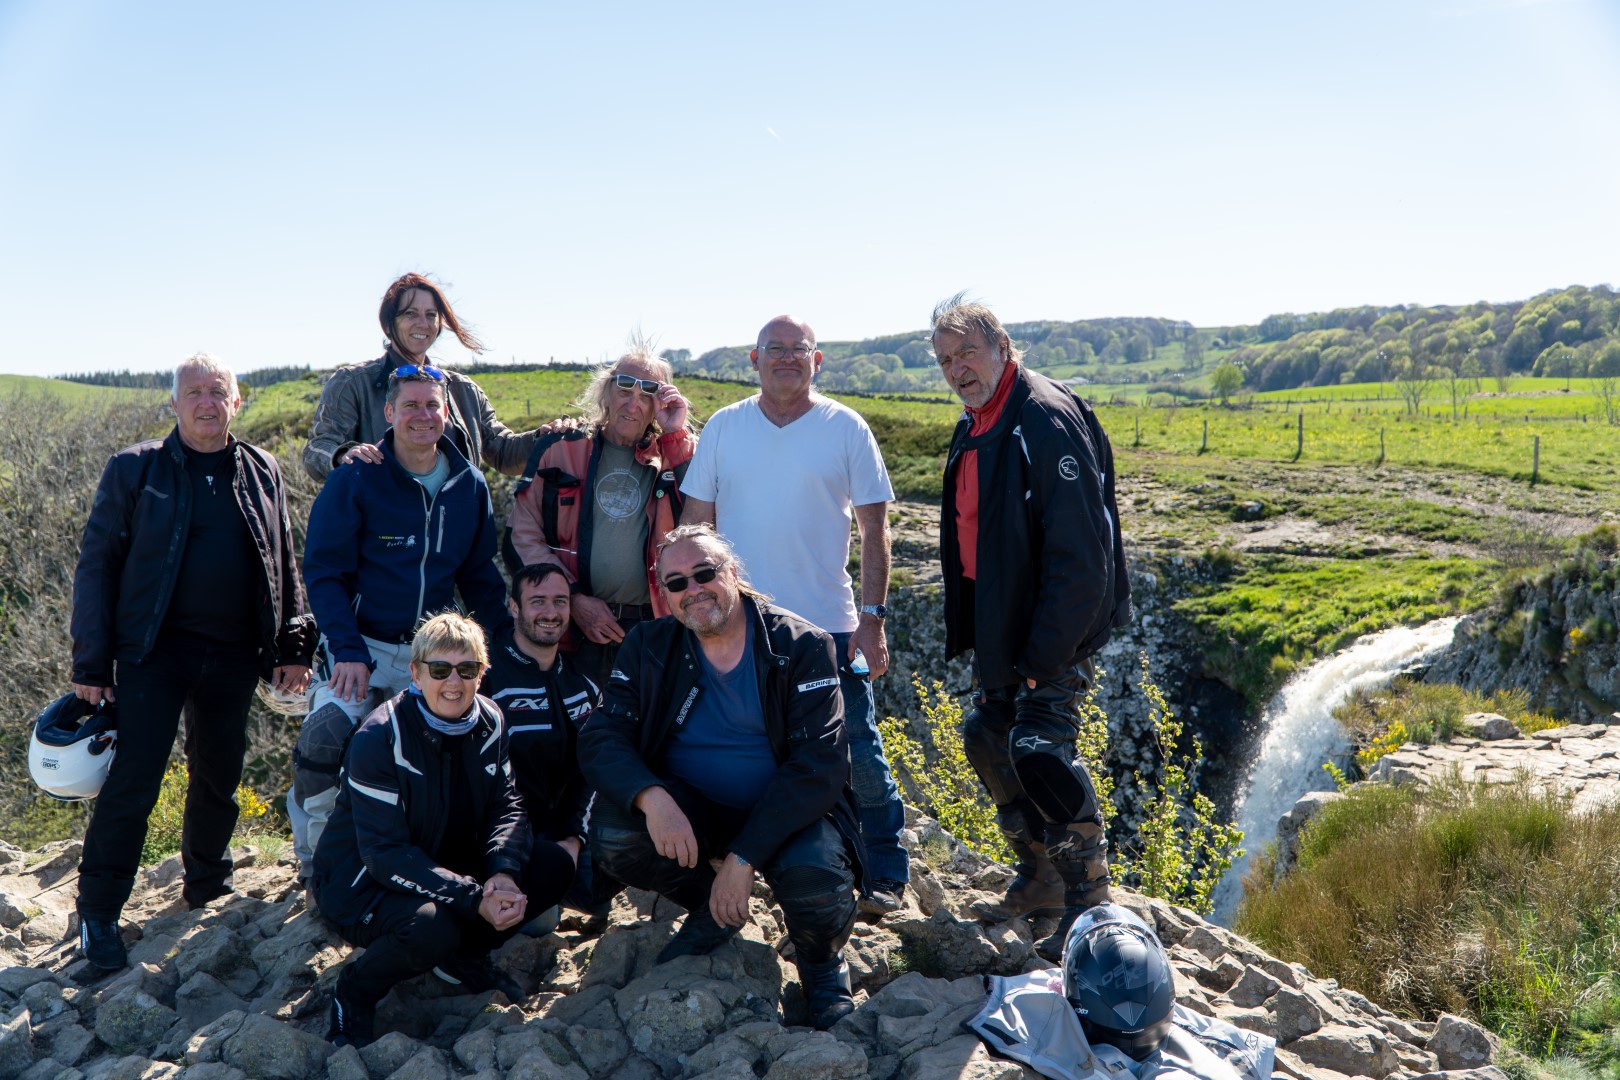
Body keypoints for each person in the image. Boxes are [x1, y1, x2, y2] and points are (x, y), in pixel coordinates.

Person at [69, 353, 315, 970]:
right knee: (135, 779)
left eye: (218, 392)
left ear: (238, 401)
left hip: (233, 652)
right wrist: (92, 662)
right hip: (154, 651)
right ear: (174, 405)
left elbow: (286, 561)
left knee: (218, 776)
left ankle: (206, 882)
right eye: (194, 393)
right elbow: (97, 565)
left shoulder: (261, 469)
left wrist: (292, 645)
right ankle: (98, 912)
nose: (207, 402)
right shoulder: (135, 469)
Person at [579, 524, 861, 1030]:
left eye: (705, 573)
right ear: (663, 595)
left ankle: (822, 966)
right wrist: (653, 799)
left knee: (816, 879)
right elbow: (602, 736)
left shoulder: (802, 645)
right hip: (695, 807)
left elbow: (820, 765)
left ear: (732, 573)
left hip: (787, 814)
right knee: (614, 833)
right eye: (677, 583)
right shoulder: (648, 644)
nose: (693, 590)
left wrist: (745, 856)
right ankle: (711, 907)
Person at [680, 314, 910, 915]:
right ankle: (747, 866)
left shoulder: (846, 428)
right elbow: (695, 528)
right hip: (739, 627)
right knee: (743, 751)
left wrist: (873, 618)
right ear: (753, 360)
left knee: (856, 748)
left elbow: (875, 531)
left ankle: (885, 873)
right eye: (774, 349)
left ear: (817, 360)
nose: (787, 358)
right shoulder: (726, 428)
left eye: (798, 349)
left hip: (828, 625)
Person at [933, 293, 1132, 962]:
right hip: (1003, 627)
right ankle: (1042, 879)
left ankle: (1089, 900)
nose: (957, 368)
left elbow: (1082, 552)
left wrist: (1045, 653)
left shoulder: (1041, 417)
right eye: (945, 360)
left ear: (1003, 349)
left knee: (1041, 747)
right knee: (989, 739)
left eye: (967, 353)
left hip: (1054, 627)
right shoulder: (979, 419)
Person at [312, 613, 576, 1048]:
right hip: (360, 881)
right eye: (439, 670)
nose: (453, 682)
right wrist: (474, 898)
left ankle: (461, 960)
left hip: (440, 859)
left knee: (552, 866)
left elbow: (506, 806)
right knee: (432, 927)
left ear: (482, 673)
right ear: (415, 673)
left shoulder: (491, 720)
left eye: (466, 669)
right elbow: (383, 853)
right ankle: (355, 992)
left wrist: (503, 874)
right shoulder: (379, 737)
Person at [291, 365, 511, 877]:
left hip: (428, 657)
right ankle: (320, 863)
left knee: (421, 759)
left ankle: (409, 857)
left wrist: (501, 649)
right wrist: (345, 648)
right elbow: (323, 573)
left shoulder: (468, 484)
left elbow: (479, 576)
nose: (422, 415)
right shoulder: (356, 478)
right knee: (324, 740)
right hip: (358, 647)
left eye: (432, 405)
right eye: (410, 405)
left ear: (448, 412)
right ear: (388, 414)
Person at [507, 346, 695, 687]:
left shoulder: (678, 454)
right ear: (604, 392)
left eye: (647, 394)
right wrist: (574, 598)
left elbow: (700, 525)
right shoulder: (560, 449)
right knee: (578, 734)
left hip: (656, 629)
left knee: (651, 737)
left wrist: (675, 435)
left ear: (660, 403)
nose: (632, 403)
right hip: (574, 630)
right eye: (624, 390)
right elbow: (522, 536)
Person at [479, 562, 617, 929]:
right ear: (514, 607)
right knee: (537, 926)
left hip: (565, 833)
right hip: (500, 838)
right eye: (537, 601)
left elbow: (594, 771)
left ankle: (572, 886)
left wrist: (574, 840)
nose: (551, 613)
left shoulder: (583, 686)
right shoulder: (484, 681)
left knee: (629, 845)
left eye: (560, 601)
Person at [302, 273, 538, 483]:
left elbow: (504, 453)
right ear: (388, 323)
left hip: (457, 528)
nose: (423, 323)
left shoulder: (464, 391)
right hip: (383, 529)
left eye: (431, 315)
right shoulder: (352, 383)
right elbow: (316, 452)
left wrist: (548, 437)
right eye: (410, 314)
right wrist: (343, 455)